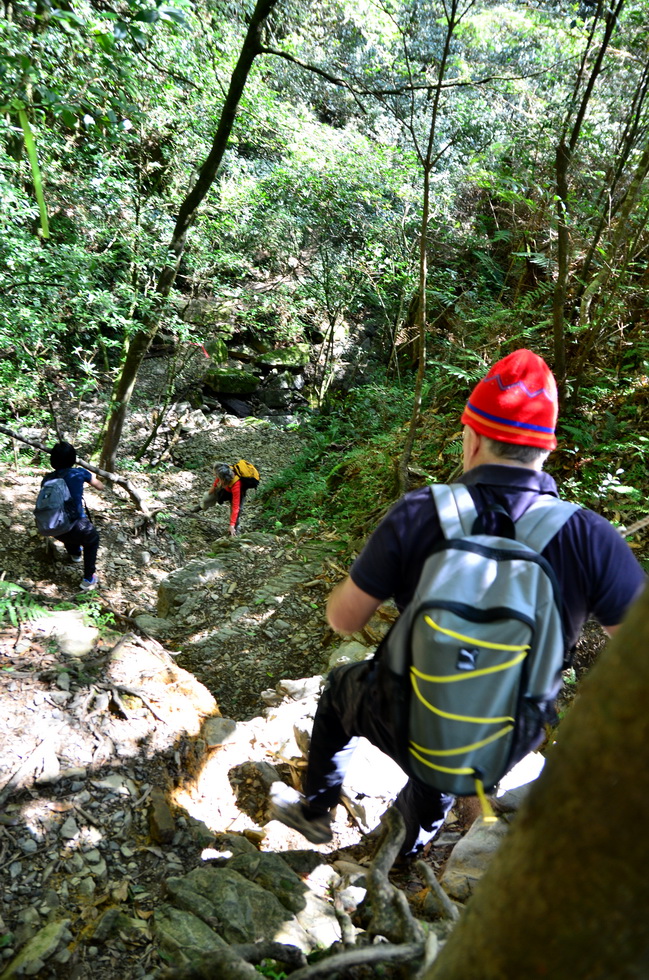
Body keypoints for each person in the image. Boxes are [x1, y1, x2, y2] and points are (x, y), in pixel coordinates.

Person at [270, 349, 647, 854]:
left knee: (343, 688)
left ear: (471, 438)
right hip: (504, 740)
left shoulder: (421, 512)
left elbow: (343, 619)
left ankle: (316, 811)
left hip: (408, 712)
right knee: (455, 750)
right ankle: (400, 851)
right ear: (547, 450)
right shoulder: (591, 537)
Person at [42, 441, 104, 591]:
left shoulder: (47, 479)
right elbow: (100, 486)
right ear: (73, 459)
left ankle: (75, 554)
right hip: (76, 525)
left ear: (53, 461)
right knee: (92, 539)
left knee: (67, 527)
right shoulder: (80, 473)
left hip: (54, 527)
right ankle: (88, 579)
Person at [200, 462, 247, 536]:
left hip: (237, 494)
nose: (215, 476)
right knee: (208, 497)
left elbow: (235, 507)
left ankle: (234, 530)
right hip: (227, 489)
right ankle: (200, 506)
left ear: (224, 480)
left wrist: (231, 524)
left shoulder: (236, 485)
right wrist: (213, 487)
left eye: (220, 479)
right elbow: (218, 479)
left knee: (237, 512)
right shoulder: (223, 472)